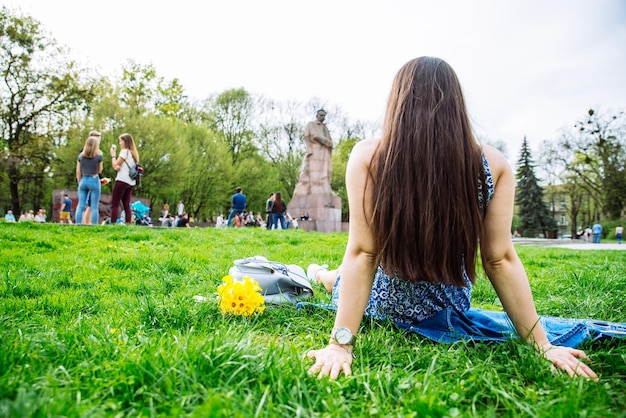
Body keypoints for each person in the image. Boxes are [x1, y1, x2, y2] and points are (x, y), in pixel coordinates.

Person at [305, 57, 599, 380]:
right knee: (338, 280)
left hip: (384, 305)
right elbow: (500, 259)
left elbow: (364, 253)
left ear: (397, 105)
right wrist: (339, 343)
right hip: (433, 307)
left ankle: (326, 275)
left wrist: (543, 343)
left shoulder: (369, 157)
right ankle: (323, 275)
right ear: (457, 106)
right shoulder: (493, 165)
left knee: (341, 279)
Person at [293, 109, 334, 195]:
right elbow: (313, 136)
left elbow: (330, 141)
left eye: (324, 115)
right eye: (321, 115)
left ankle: (323, 187)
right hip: (315, 150)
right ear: (317, 115)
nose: (322, 117)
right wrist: (325, 142)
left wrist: (327, 142)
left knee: (326, 170)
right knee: (312, 170)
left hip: (324, 152)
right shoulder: (311, 124)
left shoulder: (325, 128)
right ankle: (313, 188)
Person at [110, 133, 139, 225]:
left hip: (122, 179)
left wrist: (113, 156)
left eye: (121, 141)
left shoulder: (124, 152)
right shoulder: (134, 154)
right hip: (131, 182)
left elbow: (115, 165)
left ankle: (113, 223)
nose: (119, 143)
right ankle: (128, 223)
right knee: (126, 205)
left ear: (125, 142)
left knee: (115, 203)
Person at [75, 136, 103, 225]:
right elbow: (100, 170)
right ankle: (94, 225)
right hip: (94, 179)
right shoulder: (99, 156)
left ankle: (78, 224)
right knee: (94, 206)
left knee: (81, 205)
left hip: (83, 179)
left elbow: (78, 171)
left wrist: (80, 181)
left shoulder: (81, 156)